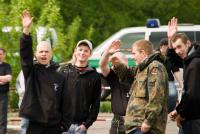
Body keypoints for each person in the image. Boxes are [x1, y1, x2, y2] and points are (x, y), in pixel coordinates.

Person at [19, 10, 71, 134]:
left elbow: (66, 104)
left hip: (55, 127)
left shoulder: (60, 77)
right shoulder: (31, 71)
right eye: (41, 51)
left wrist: (64, 125)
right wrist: (26, 31)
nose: (43, 54)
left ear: (51, 54)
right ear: (36, 54)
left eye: (46, 51)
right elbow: (25, 53)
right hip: (34, 126)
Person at [108, 40, 168, 134]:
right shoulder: (142, 69)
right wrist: (116, 62)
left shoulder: (154, 67)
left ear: (143, 53)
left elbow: (156, 97)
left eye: (134, 53)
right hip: (137, 127)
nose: (133, 57)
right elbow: (127, 74)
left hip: (145, 128)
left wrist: (148, 121)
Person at [59, 39, 101, 134]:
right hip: (62, 126)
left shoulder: (95, 76)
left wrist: (86, 124)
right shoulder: (63, 71)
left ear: (90, 54)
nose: (82, 52)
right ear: (75, 51)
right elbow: (55, 98)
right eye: (80, 49)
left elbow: (96, 104)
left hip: (80, 127)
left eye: (86, 50)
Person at [168, 17, 200, 134]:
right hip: (191, 116)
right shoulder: (190, 58)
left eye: (179, 47)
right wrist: (170, 38)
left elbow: (191, 95)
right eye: (175, 48)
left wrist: (181, 114)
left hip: (194, 119)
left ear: (188, 43)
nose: (177, 51)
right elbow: (172, 62)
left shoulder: (194, 63)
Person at [99, 47, 134, 134]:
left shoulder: (135, 73)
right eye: (112, 63)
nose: (113, 65)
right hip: (117, 122)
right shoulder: (113, 76)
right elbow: (102, 66)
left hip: (135, 121)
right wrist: (107, 53)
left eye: (116, 61)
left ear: (125, 61)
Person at [158, 38, 183, 113]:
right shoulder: (155, 56)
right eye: (166, 48)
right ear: (161, 47)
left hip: (169, 80)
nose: (168, 50)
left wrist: (181, 84)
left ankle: (171, 110)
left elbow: (175, 70)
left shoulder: (170, 57)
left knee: (172, 94)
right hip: (158, 81)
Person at [0, 48, 12, 134]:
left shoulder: (7, 66)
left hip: (3, 95)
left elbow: (9, 78)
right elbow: (6, 78)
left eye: (1, 54)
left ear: (4, 55)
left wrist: (5, 79)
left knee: (2, 117)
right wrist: (2, 79)